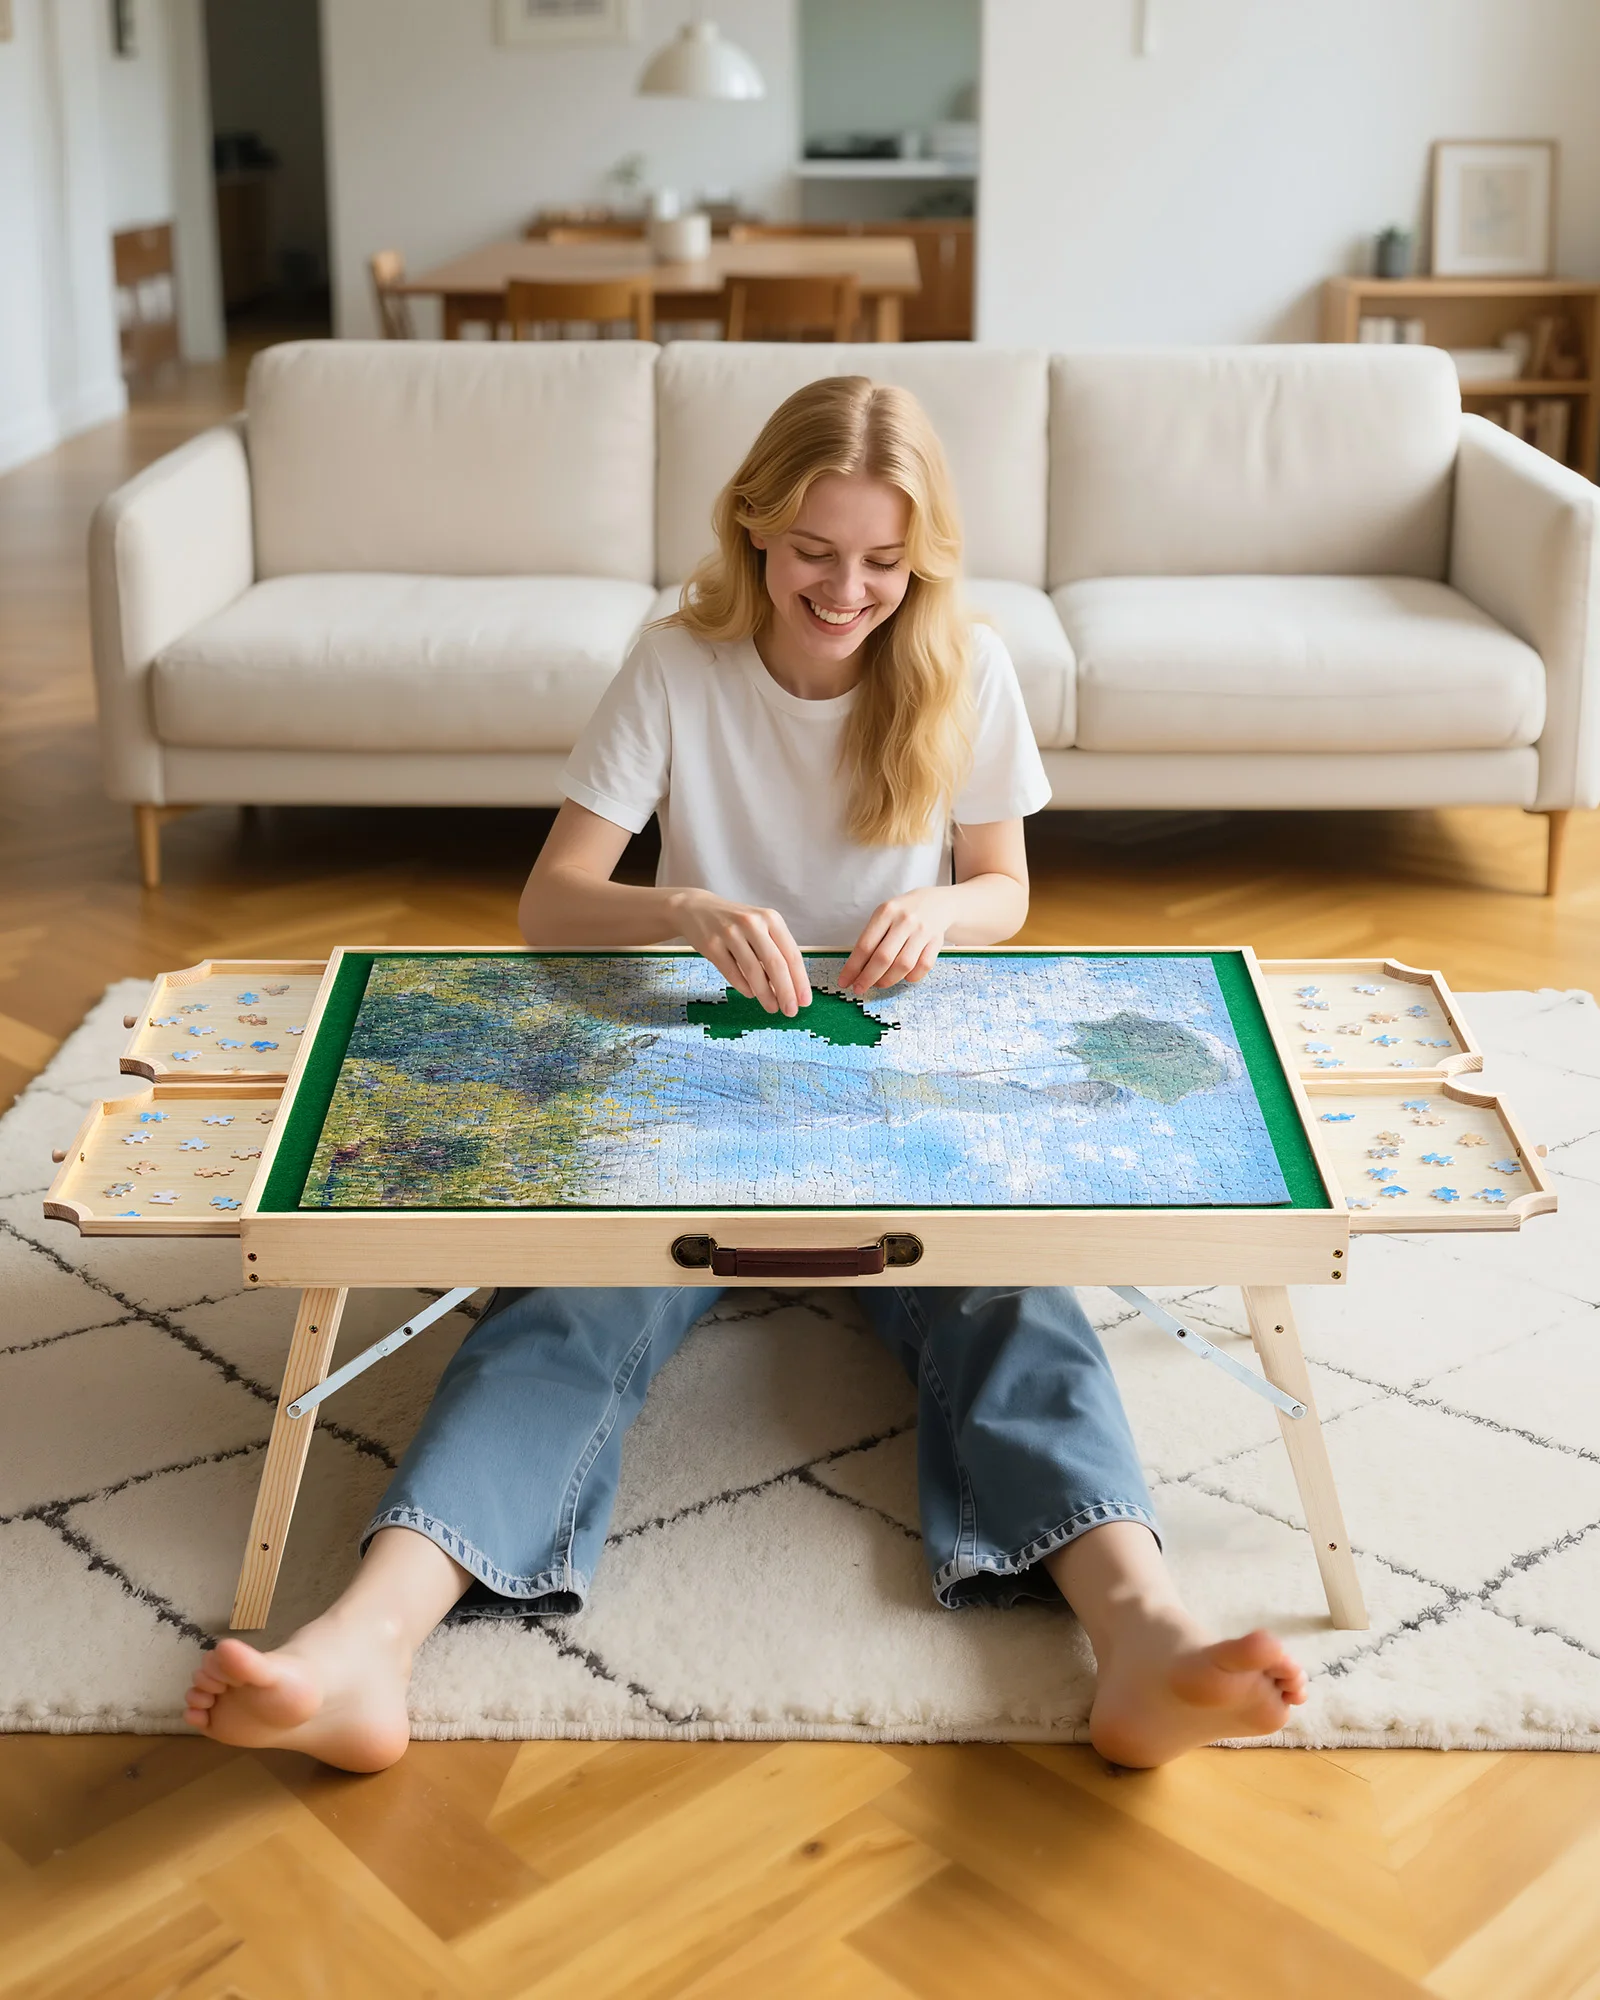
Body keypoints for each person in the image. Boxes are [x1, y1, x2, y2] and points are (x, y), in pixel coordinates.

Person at [183, 376, 1306, 1771]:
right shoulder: (675, 662)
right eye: (814, 553)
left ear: (926, 559)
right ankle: (366, 1646)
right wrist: (683, 908)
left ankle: (1139, 1633)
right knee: (564, 1307)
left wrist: (939, 913)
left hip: (890, 1079)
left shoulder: (970, 665)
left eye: (885, 562)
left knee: (1015, 1291)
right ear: (757, 531)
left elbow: (1006, 890)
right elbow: (553, 903)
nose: (847, 590)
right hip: (683, 1079)